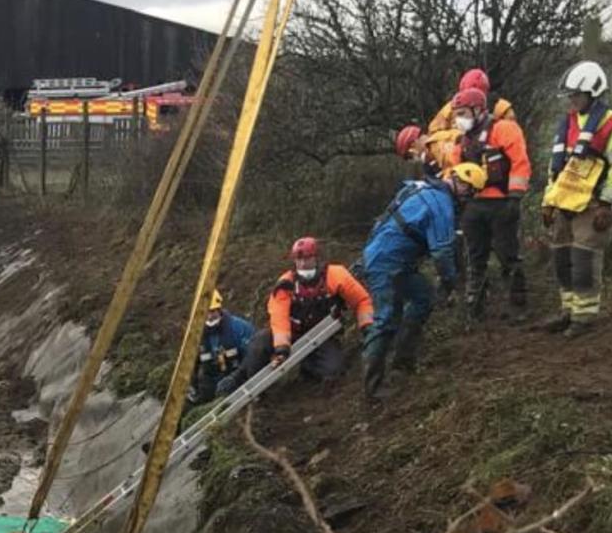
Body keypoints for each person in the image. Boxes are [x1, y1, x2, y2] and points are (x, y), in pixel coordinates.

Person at [361, 163, 486, 395]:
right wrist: (450, 282)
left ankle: (403, 361)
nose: (470, 199)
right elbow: (441, 252)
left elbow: (387, 216)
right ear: (461, 185)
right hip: (386, 261)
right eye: (470, 193)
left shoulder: (420, 188)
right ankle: (373, 386)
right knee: (386, 318)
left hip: (389, 257)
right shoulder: (441, 205)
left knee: (422, 298)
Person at [217, 237, 374, 397]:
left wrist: (367, 325)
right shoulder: (286, 283)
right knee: (260, 342)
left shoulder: (336, 275)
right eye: (299, 259)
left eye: (307, 258)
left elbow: (362, 300)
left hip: (322, 334)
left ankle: (308, 367)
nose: (303, 264)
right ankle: (245, 380)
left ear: (316, 258)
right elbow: (279, 317)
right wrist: (282, 347)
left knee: (333, 370)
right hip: (291, 333)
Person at [541, 60, 612, 336]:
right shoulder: (567, 123)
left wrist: (606, 202)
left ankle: (584, 317)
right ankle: (568, 310)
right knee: (562, 260)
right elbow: (557, 169)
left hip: (592, 205)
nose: (572, 100)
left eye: (576, 95)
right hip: (564, 204)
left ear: (593, 92)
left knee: (583, 261)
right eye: (570, 95)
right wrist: (547, 201)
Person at [448, 84, 531, 321]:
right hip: (473, 205)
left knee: (508, 255)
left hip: (502, 202)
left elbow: (520, 162)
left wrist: (515, 195)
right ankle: (475, 306)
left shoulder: (503, 129)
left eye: (462, 113)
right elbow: (453, 173)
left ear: (478, 110)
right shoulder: (461, 142)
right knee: (475, 256)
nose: (458, 119)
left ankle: (518, 306)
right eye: (456, 114)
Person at [420, 68, 517, 178]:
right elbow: (433, 134)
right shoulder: (451, 108)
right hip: (457, 158)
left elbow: (511, 141)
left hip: (488, 161)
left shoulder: (501, 108)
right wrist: (455, 137)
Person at [187, 291, 255, 404]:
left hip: (238, 378)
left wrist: (236, 377)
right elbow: (189, 366)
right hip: (212, 383)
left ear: (219, 309)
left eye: (212, 311)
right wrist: (193, 387)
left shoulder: (238, 328)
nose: (209, 316)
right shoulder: (196, 336)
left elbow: (254, 355)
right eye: (205, 312)